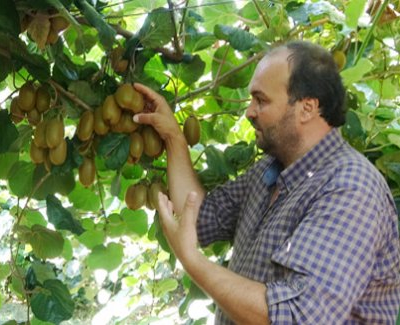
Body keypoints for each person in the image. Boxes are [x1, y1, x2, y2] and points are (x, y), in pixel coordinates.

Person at [133, 41, 400, 324]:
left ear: (307, 107)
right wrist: (173, 137)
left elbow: (297, 317)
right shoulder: (269, 172)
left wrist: (192, 260)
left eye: (261, 100)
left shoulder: (350, 188)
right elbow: (201, 218)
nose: (249, 111)